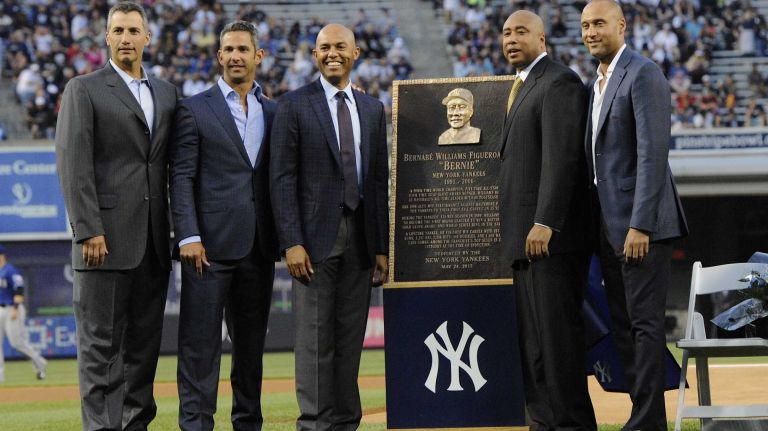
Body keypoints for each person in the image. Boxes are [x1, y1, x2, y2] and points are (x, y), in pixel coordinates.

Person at [54, 2, 179, 429]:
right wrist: (88, 228)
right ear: (106, 37)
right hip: (102, 244)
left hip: (154, 245)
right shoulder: (83, 88)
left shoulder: (166, 92)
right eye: (118, 30)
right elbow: (73, 163)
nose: (126, 38)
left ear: (148, 38)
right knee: (101, 352)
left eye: (133, 30)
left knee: (142, 353)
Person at [270, 23, 389, 431]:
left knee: (349, 343)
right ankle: (315, 425)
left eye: (340, 46)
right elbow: (281, 179)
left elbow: (377, 182)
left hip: (360, 243)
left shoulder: (373, 110)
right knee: (314, 343)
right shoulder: (293, 105)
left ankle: (345, 424)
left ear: (356, 53)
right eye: (324, 47)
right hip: (313, 245)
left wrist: (381, 247)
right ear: (315, 55)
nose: (332, 53)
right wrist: (292, 242)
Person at [581, 1, 689, 430]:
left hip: (640, 227)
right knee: (624, 327)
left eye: (600, 23)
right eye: (586, 25)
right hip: (609, 228)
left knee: (644, 326)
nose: (591, 32)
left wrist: (640, 224)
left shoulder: (642, 73)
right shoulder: (598, 82)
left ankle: (648, 421)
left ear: (622, 26)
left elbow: (652, 154)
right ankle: (641, 414)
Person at [169, 20, 279, 431]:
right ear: (219, 57)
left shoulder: (276, 111)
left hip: (259, 248)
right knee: (199, 348)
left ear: (258, 56)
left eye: (243, 50)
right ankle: (196, 425)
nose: (235, 56)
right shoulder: (194, 108)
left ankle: (248, 423)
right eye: (228, 50)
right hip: (207, 250)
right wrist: (189, 236)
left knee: (250, 350)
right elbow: (180, 177)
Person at [498, 10, 596, 431]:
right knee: (534, 350)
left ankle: (572, 425)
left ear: (543, 39)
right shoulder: (519, 87)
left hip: (549, 242)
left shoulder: (559, 81)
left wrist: (546, 221)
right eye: (506, 33)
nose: (511, 39)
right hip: (524, 243)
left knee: (557, 349)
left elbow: (562, 159)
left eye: (521, 31)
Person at [0, 245, 47, 383]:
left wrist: (15, 308)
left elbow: (19, 289)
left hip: (12, 309)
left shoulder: (10, 271)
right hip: (1, 309)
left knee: (16, 343)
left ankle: (40, 363)